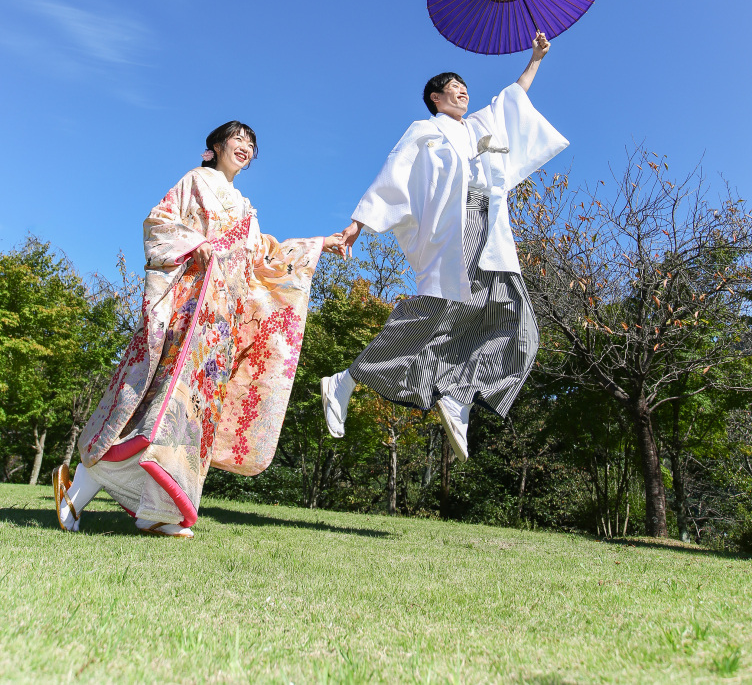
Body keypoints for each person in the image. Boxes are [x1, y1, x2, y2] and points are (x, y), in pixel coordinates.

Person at [54, 121, 343, 537]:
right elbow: (159, 221)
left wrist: (319, 243)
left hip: (219, 325)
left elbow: (267, 258)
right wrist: (196, 244)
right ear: (214, 148)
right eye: (238, 139)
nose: (245, 146)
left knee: (191, 413)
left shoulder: (246, 209)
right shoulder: (195, 181)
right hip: (188, 304)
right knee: (158, 396)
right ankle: (81, 484)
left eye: (251, 143)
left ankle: (158, 511)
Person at [321, 33, 568, 462]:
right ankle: (350, 379)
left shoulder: (478, 128)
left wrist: (535, 59)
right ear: (435, 98)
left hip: (490, 225)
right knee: (440, 309)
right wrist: (357, 224)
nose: (463, 89)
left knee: (519, 325)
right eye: (453, 85)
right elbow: (393, 175)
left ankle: (457, 392)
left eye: (464, 85)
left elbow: (512, 98)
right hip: (457, 224)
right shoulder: (426, 131)